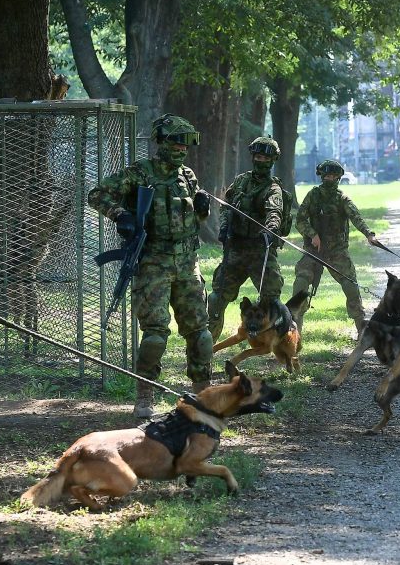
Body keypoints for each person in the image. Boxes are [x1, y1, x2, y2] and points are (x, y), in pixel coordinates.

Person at [88, 114, 213, 418]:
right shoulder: (139, 173)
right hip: (153, 264)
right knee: (155, 335)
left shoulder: (188, 176)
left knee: (201, 334)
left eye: (187, 142)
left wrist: (202, 211)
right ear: (162, 142)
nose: (182, 148)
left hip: (187, 264)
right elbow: (97, 195)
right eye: (176, 141)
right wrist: (121, 215)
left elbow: (192, 222)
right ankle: (145, 395)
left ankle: (205, 395)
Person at [207, 136, 286, 341]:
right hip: (236, 251)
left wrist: (270, 230)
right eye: (258, 156)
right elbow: (227, 205)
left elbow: (274, 213)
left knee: (272, 302)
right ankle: (206, 350)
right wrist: (224, 227)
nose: (261, 161)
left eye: (266, 158)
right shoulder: (241, 181)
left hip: (260, 252)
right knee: (216, 300)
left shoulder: (273, 189)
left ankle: (279, 344)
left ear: (273, 161)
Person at [291, 159, 379, 334]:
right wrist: (312, 234)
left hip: (337, 252)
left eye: (333, 176)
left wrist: (369, 234)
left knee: (351, 287)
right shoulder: (312, 195)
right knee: (300, 283)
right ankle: (294, 330)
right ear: (322, 176)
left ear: (338, 178)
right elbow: (300, 220)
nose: (329, 179)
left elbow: (356, 217)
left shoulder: (342, 198)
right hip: (313, 251)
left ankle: (361, 327)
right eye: (327, 175)